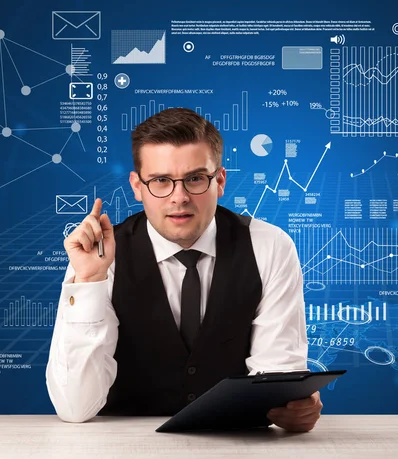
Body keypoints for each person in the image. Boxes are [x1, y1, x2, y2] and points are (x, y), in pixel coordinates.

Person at [45, 108, 322, 432]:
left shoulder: (270, 246)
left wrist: (291, 405)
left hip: (237, 447)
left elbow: (277, 378)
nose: (179, 197)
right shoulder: (101, 256)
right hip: (124, 448)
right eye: (161, 180)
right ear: (138, 187)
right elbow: (75, 407)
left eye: (194, 179)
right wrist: (90, 282)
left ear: (219, 180)